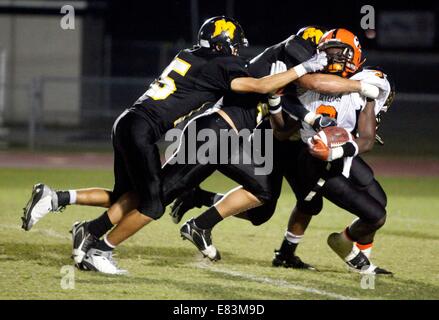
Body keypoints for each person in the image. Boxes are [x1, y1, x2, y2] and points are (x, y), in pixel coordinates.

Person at [22, 16, 328, 274]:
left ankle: (62, 204)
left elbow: (268, 94)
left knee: (132, 195)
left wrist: (288, 104)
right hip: (157, 129)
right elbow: (260, 84)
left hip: (131, 123)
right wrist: (305, 68)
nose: (237, 50)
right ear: (222, 44)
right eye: (233, 44)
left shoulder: (190, 55)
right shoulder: (222, 64)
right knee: (153, 204)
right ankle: (99, 246)